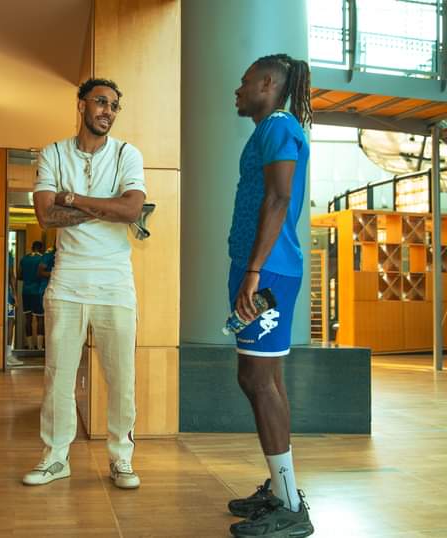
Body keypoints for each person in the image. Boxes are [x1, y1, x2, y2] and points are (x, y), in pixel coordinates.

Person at [22, 78, 146, 489]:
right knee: (58, 377)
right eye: (101, 102)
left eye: (114, 105)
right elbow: (45, 216)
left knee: (122, 379)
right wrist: (107, 207)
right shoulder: (53, 153)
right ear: (81, 105)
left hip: (115, 282)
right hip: (68, 279)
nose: (108, 111)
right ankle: (56, 458)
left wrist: (72, 199)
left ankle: (121, 459)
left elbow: (132, 210)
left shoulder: (127, 154)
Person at [224, 54, 314, 538]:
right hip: (259, 267)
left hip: (269, 272)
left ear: (266, 84)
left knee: (259, 381)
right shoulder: (269, 129)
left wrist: (255, 270)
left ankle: (291, 507)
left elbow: (279, 197)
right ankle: (282, 489)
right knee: (263, 379)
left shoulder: (280, 125)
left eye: (244, 82)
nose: (237, 91)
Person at [19, 241, 45, 350]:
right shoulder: (42, 258)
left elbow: (19, 275)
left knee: (28, 319)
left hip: (26, 291)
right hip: (38, 291)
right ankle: (39, 347)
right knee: (40, 319)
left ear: (32, 247)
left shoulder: (24, 259)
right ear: (41, 248)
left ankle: (30, 346)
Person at [6, 249, 22, 366]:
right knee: (10, 322)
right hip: (6, 296)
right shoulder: (8, 254)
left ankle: (4, 354)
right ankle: (7, 354)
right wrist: (15, 296)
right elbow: (12, 276)